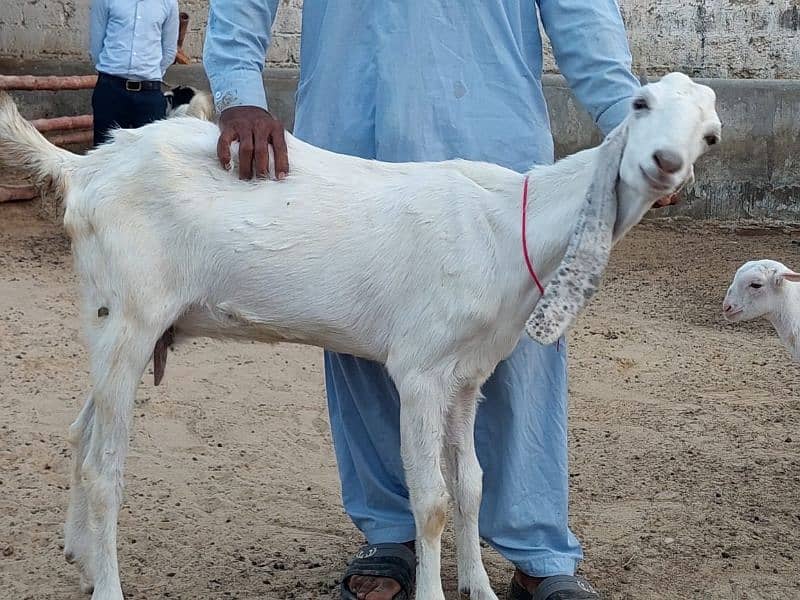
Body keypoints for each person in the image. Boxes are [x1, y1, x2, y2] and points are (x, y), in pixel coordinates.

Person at [203, 3, 675, 599]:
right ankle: (391, 533)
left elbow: (581, 12)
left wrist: (631, 125)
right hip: (354, 127)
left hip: (489, 132)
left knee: (519, 345)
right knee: (361, 337)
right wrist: (238, 91)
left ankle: (538, 550)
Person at [89, 0, 179, 146]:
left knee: (149, 156)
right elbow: (96, 47)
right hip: (111, 92)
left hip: (149, 96)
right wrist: (114, 71)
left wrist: (150, 75)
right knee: (105, 156)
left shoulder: (168, 3)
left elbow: (169, 51)